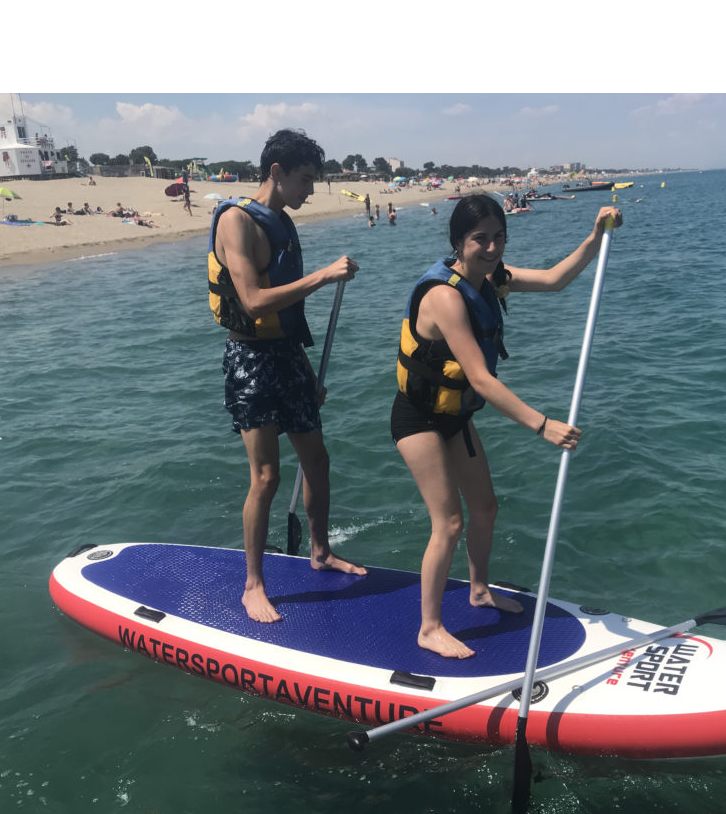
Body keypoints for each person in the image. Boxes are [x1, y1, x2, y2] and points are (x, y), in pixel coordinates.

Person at [392, 194, 622, 659]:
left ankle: (479, 590)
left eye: (499, 237)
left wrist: (596, 237)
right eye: (481, 239)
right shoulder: (445, 297)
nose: (493, 247)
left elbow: (557, 280)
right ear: (459, 241)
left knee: (486, 508)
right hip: (418, 419)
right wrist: (543, 426)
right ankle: (429, 627)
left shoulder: (492, 279)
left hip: (455, 415)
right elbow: (479, 377)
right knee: (449, 522)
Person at [209, 128, 366, 624]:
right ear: (275, 172)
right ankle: (253, 585)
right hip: (251, 361)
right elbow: (253, 303)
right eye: (304, 179)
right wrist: (322, 276)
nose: (310, 190)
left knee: (317, 461)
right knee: (267, 476)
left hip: (287, 357)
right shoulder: (236, 222)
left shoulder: (281, 222)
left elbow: (287, 311)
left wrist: (304, 369)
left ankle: (320, 550)